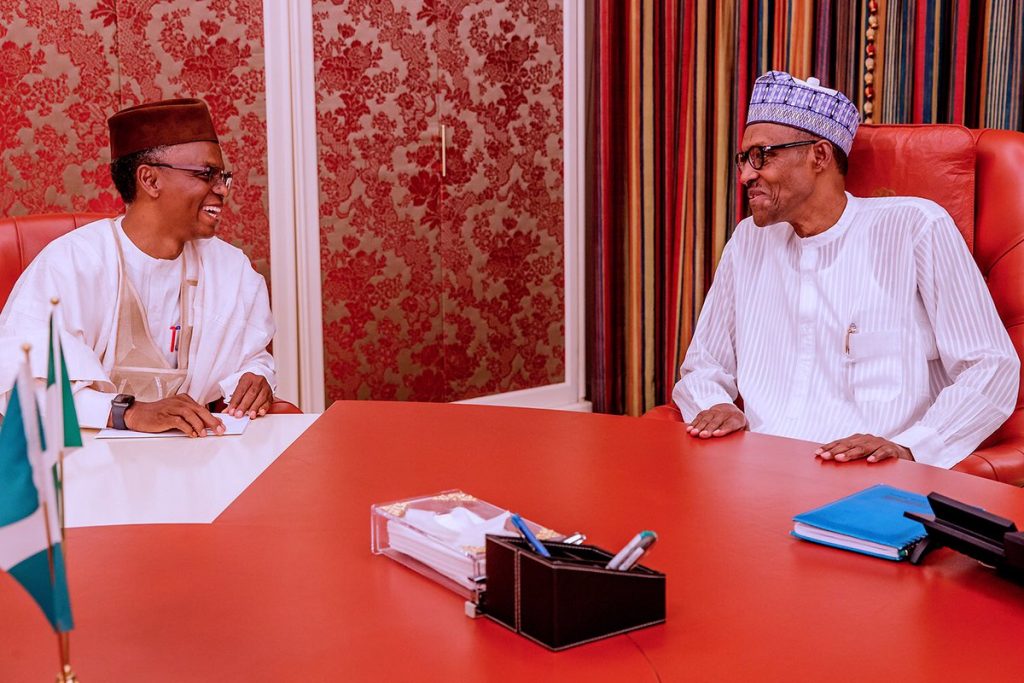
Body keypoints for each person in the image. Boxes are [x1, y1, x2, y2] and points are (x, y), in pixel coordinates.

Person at [672, 71, 1019, 469]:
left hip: (870, 480)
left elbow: (991, 368)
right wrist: (717, 405)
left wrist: (913, 447)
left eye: (762, 155)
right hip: (754, 471)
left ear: (819, 155)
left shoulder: (915, 228)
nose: (746, 174)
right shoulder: (749, 240)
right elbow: (704, 365)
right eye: (744, 158)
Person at [0, 98, 276, 436]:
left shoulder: (231, 270)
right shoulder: (72, 263)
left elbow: (252, 355)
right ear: (150, 180)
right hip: (84, 465)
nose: (221, 190)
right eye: (206, 175)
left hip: (193, 461)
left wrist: (257, 378)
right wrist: (126, 413)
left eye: (223, 177)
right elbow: (21, 386)